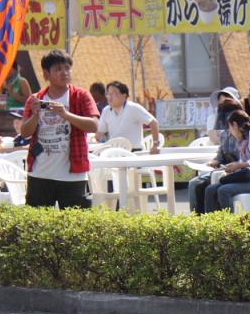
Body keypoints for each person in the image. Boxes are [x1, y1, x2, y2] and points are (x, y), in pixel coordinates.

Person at [20, 49, 101, 209]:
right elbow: (24, 132)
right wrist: (35, 115)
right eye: (58, 69)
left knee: (76, 225)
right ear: (46, 74)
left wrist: (66, 114)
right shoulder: (35, 99)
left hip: (73, 174)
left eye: (67, 68)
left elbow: (94, 125)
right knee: (37, 225)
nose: (64, 73)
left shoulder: (81, 96)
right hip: (40, 172)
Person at [189, 98, 243, 214]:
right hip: (224, 171)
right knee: (194, 184)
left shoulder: (245, 133)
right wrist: (213, 162)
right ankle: (198, 218)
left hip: (238, 173)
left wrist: (235, 166)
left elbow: (248, 160)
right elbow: (220, 156)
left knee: (204, 187)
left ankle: (211, 218)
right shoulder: (224, 135)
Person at [97, 81, 160, 152]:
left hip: (135, 151)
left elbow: (154, 122)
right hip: (114, 152)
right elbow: (100, 132)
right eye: (108, 93)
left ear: (124, 96)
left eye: (114, 93)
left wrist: (155, 145)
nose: (110, 97)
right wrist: (94, 140)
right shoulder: (106, 110)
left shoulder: (133, 108)